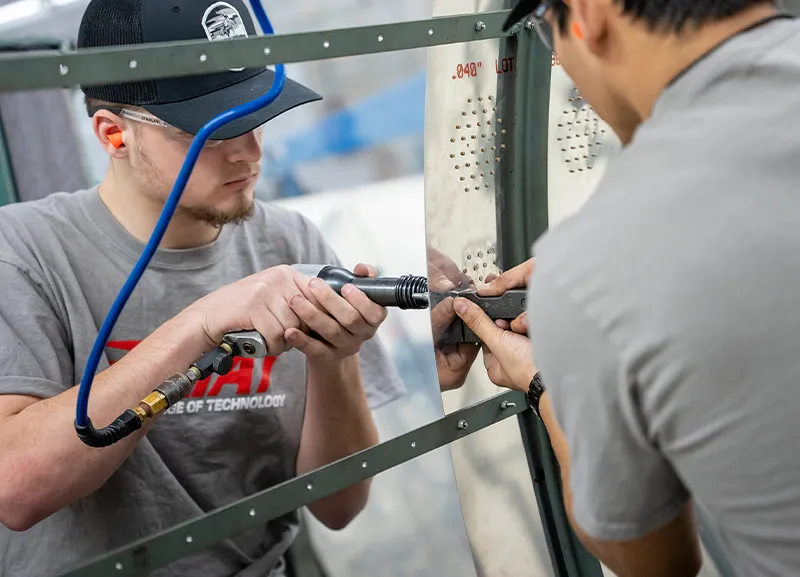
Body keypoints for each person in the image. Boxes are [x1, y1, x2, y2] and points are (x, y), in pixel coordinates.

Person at [0, 0, 405, 575]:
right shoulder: (23, 252)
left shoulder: (290, 242)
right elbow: (16, 491)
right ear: (114, 135)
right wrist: (200, 322)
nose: (250, 152)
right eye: (210, 131)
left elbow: (339, 506)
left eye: (256, 116)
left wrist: (334, 360)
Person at [443, 1, 800, 577]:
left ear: (588, 12)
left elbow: (657, 561)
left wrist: (546, 381)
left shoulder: (595, 265)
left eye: (546, 30)